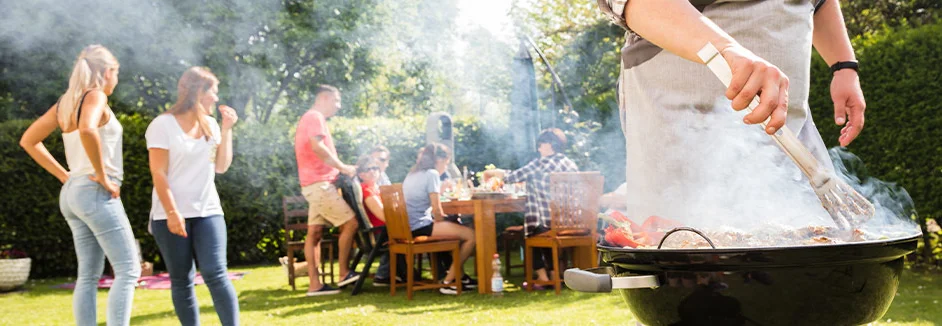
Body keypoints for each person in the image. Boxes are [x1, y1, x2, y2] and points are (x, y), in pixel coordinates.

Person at [596, 0, 867, 224]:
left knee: (812, 261)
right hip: (684, 117)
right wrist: (726, 49)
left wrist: (843, 64)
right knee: (693, 262)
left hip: (787, 126)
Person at [19, 45, 141, 326]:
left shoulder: (66, 102)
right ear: (107, 72)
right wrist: (102, 175)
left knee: (88, 275)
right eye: (117, 73)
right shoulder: (95, 96)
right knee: (128, 270)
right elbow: (87, 129)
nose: (117, 80)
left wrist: (66, 176)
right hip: (94, 192)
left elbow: (28, 140)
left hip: (73, 193)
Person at [146, 67, 240, 326]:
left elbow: (220, 166)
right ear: (199, 91)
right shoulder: (162, 125)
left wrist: (227, 129)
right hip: (170, 215)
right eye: (214, 93)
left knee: (216, 273)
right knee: (181, 279)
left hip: (208, 210)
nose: (217, 99)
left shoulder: (211, 124)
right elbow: (159, 173)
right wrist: (173, 213)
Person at [482, 128, 578, 288]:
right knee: (539, 231)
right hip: (571, 223)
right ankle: (554, 274)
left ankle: (542, 278)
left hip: (549, 224)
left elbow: (512, 176)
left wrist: (491, 172)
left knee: (528, 233)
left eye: (540, 144)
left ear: (549, 145)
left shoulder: (540, 163)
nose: (538, 148)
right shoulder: (570, 164)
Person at [294, 85, 360, 296]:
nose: (338, 106)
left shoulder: (309, 117)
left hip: (312, 184)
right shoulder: (315, 117)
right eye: (336, 101)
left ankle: (315, 285)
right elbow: (317, 147)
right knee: (351, 223)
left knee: (314, 234)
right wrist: (343, 167)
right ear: (323, 98)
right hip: (319, 184)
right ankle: (343, 273)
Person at [402, 143, 476, 294]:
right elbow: (437, 209)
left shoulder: (412, 174)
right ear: (440, 160)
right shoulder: (432, 174)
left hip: (408, 226)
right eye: (447, 162)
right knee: (471, 236)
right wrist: (443, 222)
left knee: (455, 229)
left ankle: (460, 277)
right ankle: (448, 282)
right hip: (420, 226)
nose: (446, 167)